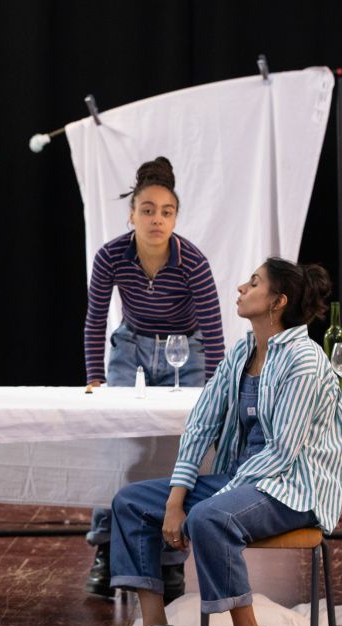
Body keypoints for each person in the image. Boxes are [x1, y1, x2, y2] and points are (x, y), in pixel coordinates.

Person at [110, 258, 342, 626]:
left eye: (254, 282)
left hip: (292, 489)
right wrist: (175, 499)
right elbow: (201, 423)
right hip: (242, 481)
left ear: (277, 301)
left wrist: (208, 502)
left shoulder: (306, 362)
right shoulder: (242, 351)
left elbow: (282, 452)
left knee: (210, 517)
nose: (241, 287)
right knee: (130, 502)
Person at [83, 156, 225, 602]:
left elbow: (215, 330)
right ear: (132, 214)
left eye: (166, 212)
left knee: (184, 449)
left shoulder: (192, 262)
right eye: (147, 210)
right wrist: (94, 377)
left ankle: (171, 558)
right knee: (118, 445)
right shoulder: (111, 255)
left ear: (176, 218)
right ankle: (106, 550)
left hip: (187, 349)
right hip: (132, 345)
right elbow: (94, 320)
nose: (156, 219)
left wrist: (216, 390)